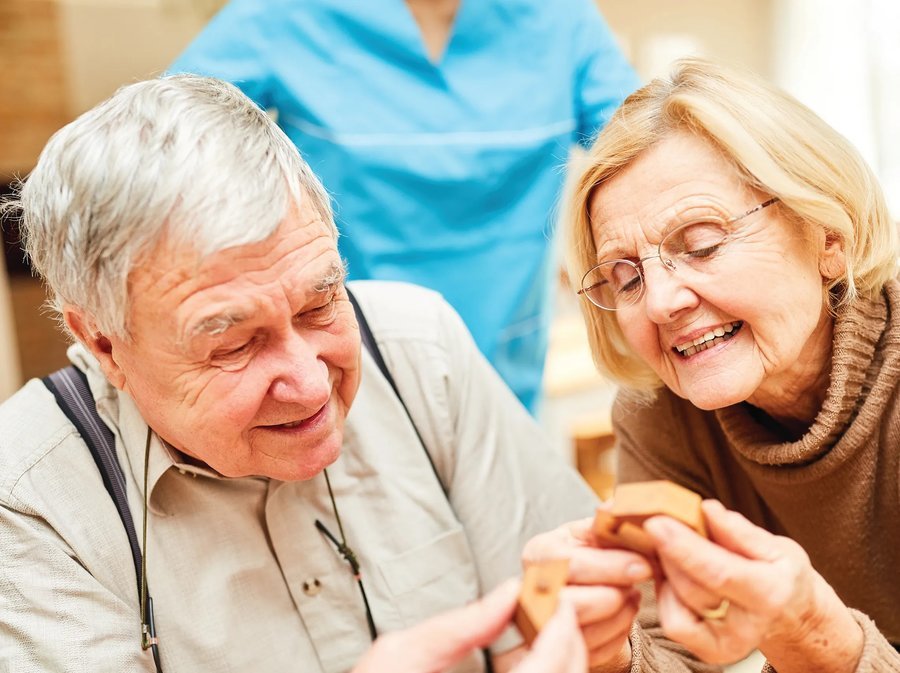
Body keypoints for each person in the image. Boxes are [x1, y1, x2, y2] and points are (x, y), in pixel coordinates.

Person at [0, 75, 636, 672]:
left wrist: (607, 643)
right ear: (105, 344)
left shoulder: (418, 350)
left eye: (320, 304)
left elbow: (599, 632)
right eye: (234, 345)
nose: (310, 386)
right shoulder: (29, 498)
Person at [526, 57, 900, 672]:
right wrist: (611, 654)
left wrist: (814, 638)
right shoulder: (661, 412)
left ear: (828, 237)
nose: (660, 302)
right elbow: (673, 651)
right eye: (626, 278)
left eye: (701, 244)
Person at [168, 0, 640, 412]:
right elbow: (162, 140)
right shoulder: (284, 15)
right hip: (341, 363)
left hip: (505, 361)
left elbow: (646, 147)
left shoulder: (559, 18)